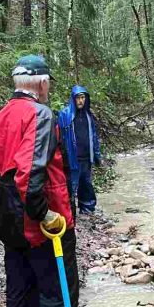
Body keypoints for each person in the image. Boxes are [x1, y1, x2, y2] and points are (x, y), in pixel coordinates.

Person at [0, 55, 79, 307]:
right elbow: (29, 172)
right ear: (41, 83)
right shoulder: (40, 114)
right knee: (57, 295)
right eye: (48, 83)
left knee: (20, 292)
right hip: (39, 222)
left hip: (8, 219)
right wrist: (43, 213)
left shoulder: (1, 115)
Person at [58, 85, 102, 215]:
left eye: (83, 97)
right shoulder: (65, 115)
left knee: (86, 184)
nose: (81, 101)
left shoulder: (88, 115)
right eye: (78, 98)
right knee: (71, 185)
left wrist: (97, 155)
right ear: (73, 99)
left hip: (86, 157)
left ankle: (87, 208)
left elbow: (93, 136)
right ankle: (69, 211)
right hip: (72, 158)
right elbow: (60, 136)